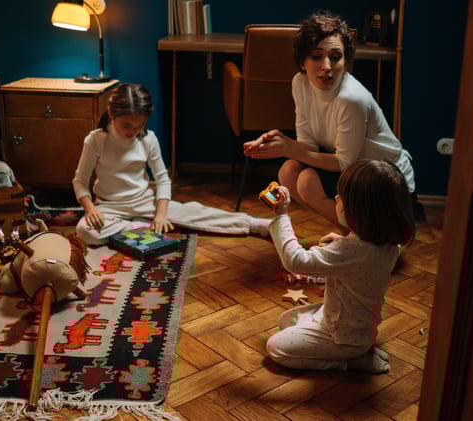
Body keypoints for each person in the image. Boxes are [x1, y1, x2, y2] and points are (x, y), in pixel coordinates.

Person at [243, 11, 416, 229]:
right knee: (288, 171)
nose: (327, 66)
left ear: (345, 61)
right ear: (302, 62)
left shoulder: (351, 98)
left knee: (308, 182)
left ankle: (368, 239)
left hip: (387, 180)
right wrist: (278, 141)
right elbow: (308, 145)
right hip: (355, 170)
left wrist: (289, 148)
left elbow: (345, 162)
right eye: (316, 56)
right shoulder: (300, 83)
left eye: (335, 57)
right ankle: (352, 234)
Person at [72, 83, 271, 245]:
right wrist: (90, 209)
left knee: (193, 212)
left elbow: (162, 179)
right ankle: (139, 226)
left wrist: (160, 215)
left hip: (145, 203)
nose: (133, 131)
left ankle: (256, 224)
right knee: (85, 231)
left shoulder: (149, 139)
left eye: (139, 125)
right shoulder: (95, 140)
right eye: (127, 125)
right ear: (111, 113)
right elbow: (80, 181)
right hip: (109, 207)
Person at [265, 159, 415, 373]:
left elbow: (295, 260)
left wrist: (282, 217)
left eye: (342, 196)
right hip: (357, 329)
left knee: (276, 347)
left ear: (360, 212)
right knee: (286, 320)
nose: (336, 197)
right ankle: (360, 351)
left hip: (342, 338)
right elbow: (359, 272)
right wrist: (316, 274)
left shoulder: (349, 250)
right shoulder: (390, 244)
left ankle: (350, 362)